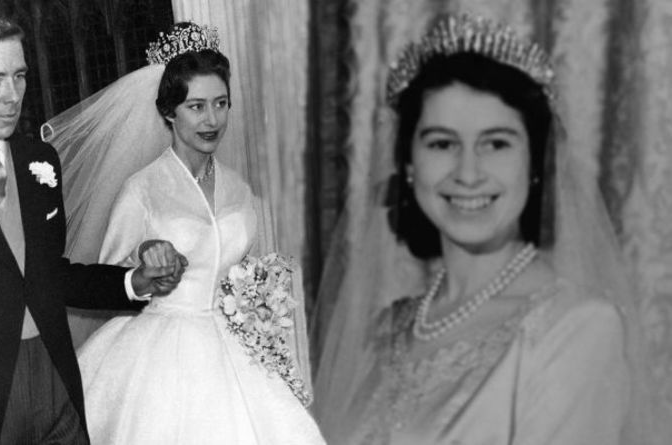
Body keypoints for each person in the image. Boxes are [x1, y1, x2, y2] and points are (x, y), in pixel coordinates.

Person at [314, 14, 669, 444]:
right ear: (408, 164)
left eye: (496, 143)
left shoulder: (577, 327)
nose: (468, 173)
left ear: (534, 164)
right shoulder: (386, 330)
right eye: (442, 143)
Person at [41, 22, 325, 444]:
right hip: (162, 357)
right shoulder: (142, 189)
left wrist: (257, 301)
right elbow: (113, 278)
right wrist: (146, 258)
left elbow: (240, 265)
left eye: (221, 104)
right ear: (169, 112)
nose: (212, 120)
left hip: (234, 351)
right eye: (196, 106)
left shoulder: (238, 187)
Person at [0, 10, 182, 445]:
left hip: (56, 379)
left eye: (19, 76)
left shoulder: (39, 161)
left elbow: (48, 274)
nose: (13, 95)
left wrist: (132, 283)